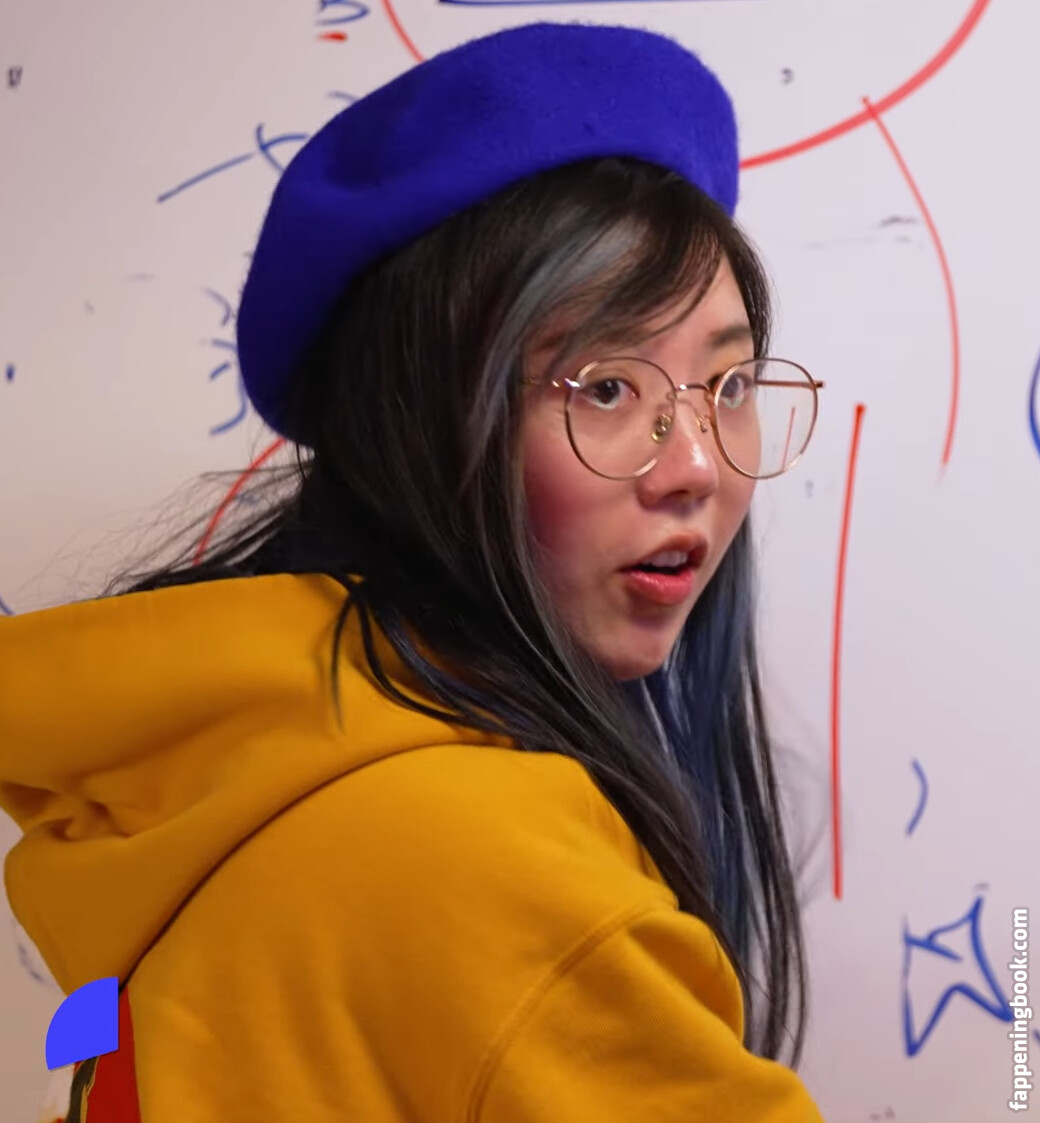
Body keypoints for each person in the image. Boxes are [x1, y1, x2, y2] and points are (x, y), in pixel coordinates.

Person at [0, 21, 828, 1122]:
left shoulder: (222, 785)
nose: (696, 467)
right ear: (423, 432)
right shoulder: (494, 869)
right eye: (605, 388)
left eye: (728, 385)